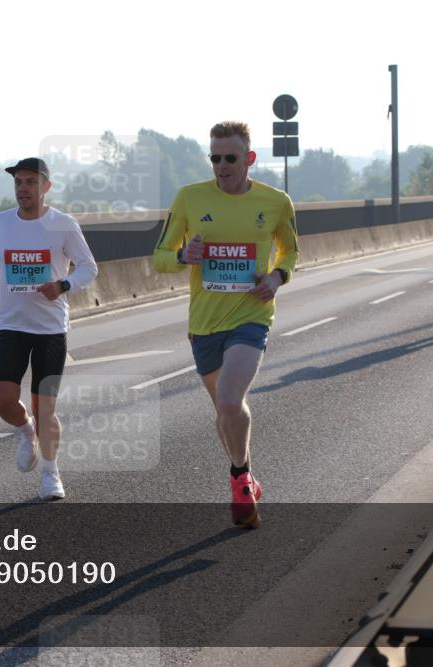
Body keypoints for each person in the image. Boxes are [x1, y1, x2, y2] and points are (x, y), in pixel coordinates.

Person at [152, 121, 299, 528]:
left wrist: (276, 277)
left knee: (231, 400)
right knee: (225, 411)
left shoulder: (276, 203)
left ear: (249, 159)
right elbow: (160, 256)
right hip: (204, 322)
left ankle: (237, 479)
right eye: (214, 157)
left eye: (230, 157)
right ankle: (247, 474)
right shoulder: (189, 198)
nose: (221, 165)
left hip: (251, 317)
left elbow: (291, 252)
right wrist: (184, 256)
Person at [0, 158, 98, 500]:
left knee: (45, 408)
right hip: (13, 325)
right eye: (18, 183)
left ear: (46, 187)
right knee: (2, 399)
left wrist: (63, 285)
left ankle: (50, 473)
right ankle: (25, 429)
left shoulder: (63, 225)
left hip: (50, 329)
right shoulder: (1, 223)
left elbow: (89, 268)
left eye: (30, 182)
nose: (23, 189)